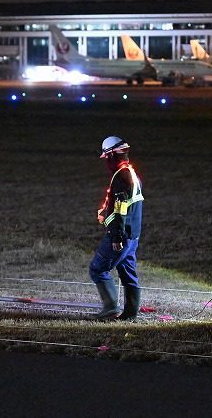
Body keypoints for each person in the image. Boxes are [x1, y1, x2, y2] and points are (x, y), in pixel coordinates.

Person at [90, 136, 144, 320]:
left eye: (107, 157)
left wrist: (116, 237)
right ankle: (130, 314)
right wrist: (105, 212)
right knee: (128, 273)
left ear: (112, 155)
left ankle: (111, 308)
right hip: (133, 235)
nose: (106, 161)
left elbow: (121, 208)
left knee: (98, 269)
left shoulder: (121, 176)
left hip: (121, 235)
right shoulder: (131, 172)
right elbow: (126, 204)